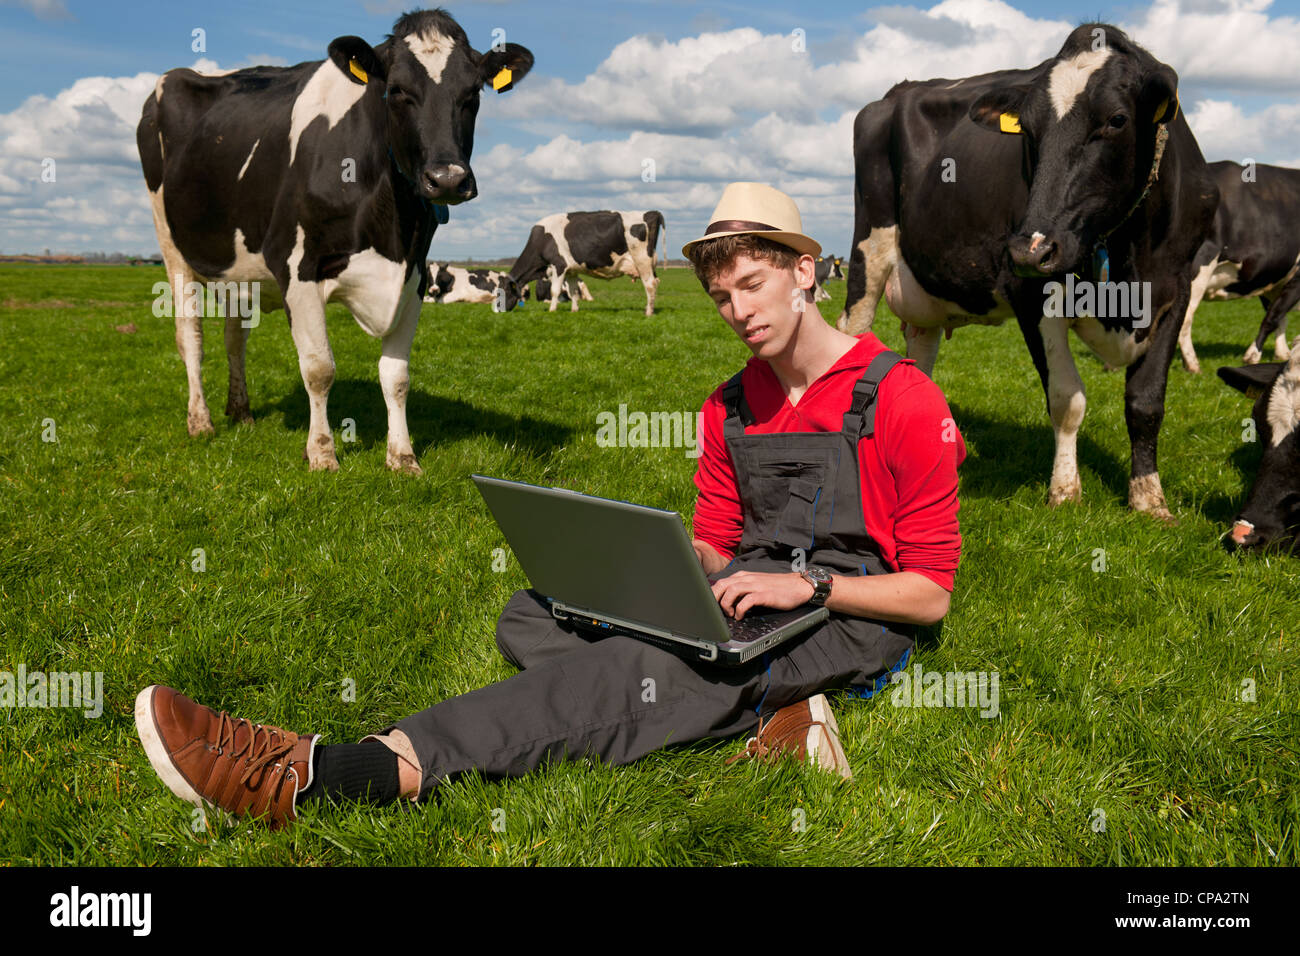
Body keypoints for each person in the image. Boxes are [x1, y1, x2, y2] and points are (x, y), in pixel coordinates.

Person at [134, 182, 965, 828]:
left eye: (753, 285)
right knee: (532, 615)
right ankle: (759, 723)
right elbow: (718, 541)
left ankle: (346, 771)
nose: (738, 312)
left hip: (848, 614)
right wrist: (656, 569)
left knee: (659, 666)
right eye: (720, 298)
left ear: (804, 274)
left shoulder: (902, 397)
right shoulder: (728, 406)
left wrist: (809, 589)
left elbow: (930, 597)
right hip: (749, 599)